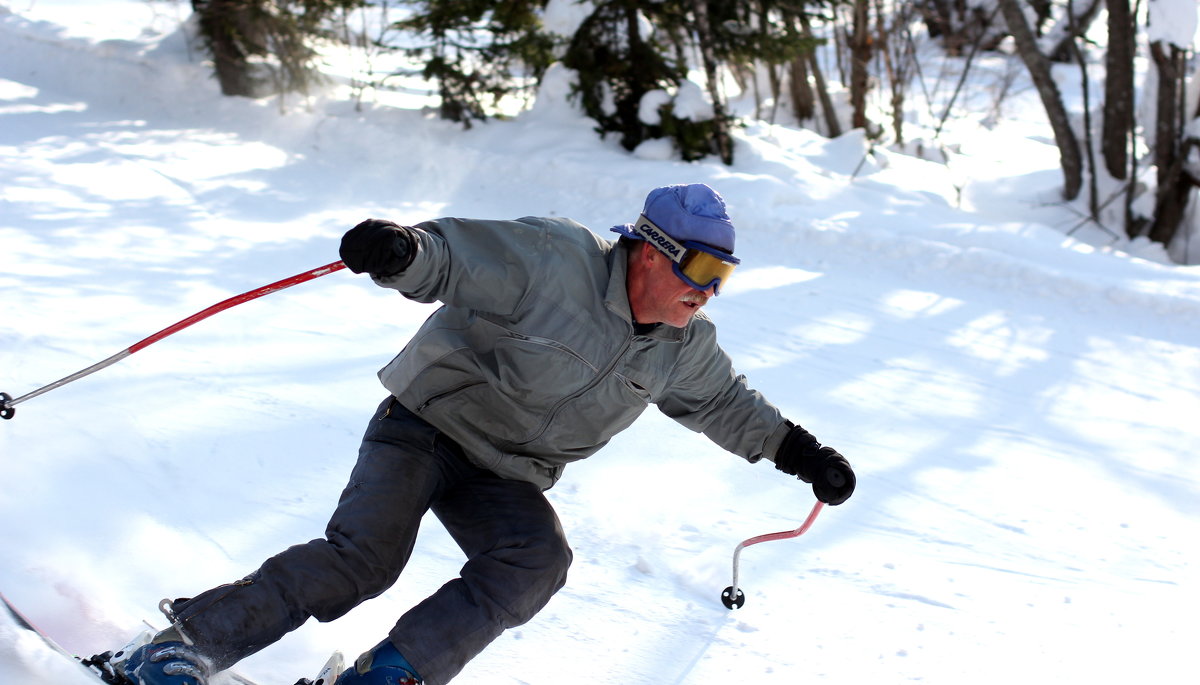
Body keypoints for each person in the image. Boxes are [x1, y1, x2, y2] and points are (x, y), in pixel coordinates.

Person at [115, 183, 855, 685]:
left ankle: (388, 673)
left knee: (537, 559)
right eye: (699, 265)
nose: (709, 286)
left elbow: (727, 403)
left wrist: (803, 454)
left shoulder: (681, 345)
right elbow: (458, 260)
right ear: (649, 249)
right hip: (426, 424)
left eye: (723, 272)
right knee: (363, 559)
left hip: (507, 471)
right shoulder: (555, 261)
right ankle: (182, 646)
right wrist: (404, 252)